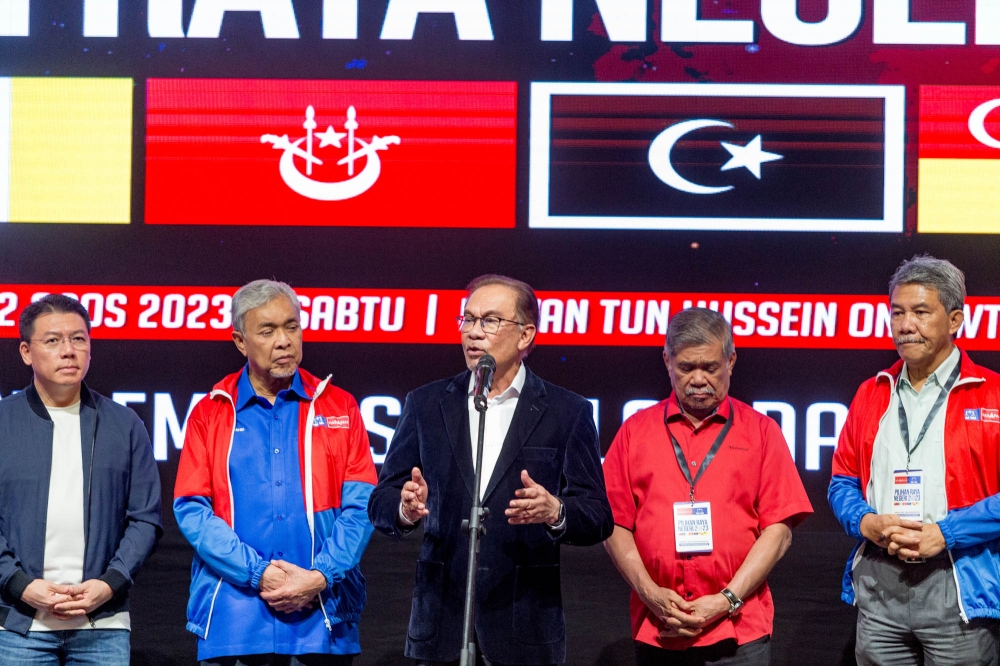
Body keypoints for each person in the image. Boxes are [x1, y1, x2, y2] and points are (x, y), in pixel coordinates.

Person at [368, 274, 613, 666]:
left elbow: (598, 516)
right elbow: (381, 500)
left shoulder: (567, 412)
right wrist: (403, 507)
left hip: (524, 628)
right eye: (467, 319)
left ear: (525, 335)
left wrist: (556, 512)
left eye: (490, 321)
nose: (473, 332)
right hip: (441, 629)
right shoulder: (426, 404)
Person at [174, 279, 378, 666]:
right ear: (240, 342)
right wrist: (257, 573)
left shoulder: (340, 406)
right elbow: (193, 511)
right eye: (267, 331)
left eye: (291, 326)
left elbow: (361, 506)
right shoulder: (210, 413)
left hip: (322, 617)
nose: (283, 341)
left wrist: (320, 575)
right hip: (235, 620)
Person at [602, 307, 812, 666]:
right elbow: (614, 524)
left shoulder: (762, 433)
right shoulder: (635, 432)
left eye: (710, 367)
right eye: (686, 368)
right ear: (667, 361)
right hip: (660, 625)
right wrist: (649, 593)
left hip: (739, 629)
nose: (698, 379)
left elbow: (778, 532)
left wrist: (726, 599)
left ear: (731, 361)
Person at [829, 255, 1000, 666]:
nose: (906, 325)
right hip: (879, 583)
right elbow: (842, 481)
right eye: (898, 312)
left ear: (956, 319)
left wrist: (947, 532)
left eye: (921, 312)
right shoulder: (871, 393)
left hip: (958, 580)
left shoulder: (992, 394)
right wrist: (867, 522)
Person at [0, 294, 162, 664]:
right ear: (26, 352)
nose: (68, 351)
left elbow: (146, 519)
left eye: (79, 339)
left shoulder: (124, 425)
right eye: (53, 340)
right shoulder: (2, 422)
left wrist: (110, 584)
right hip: (16, 624)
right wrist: (20, 584)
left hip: (102, 624)